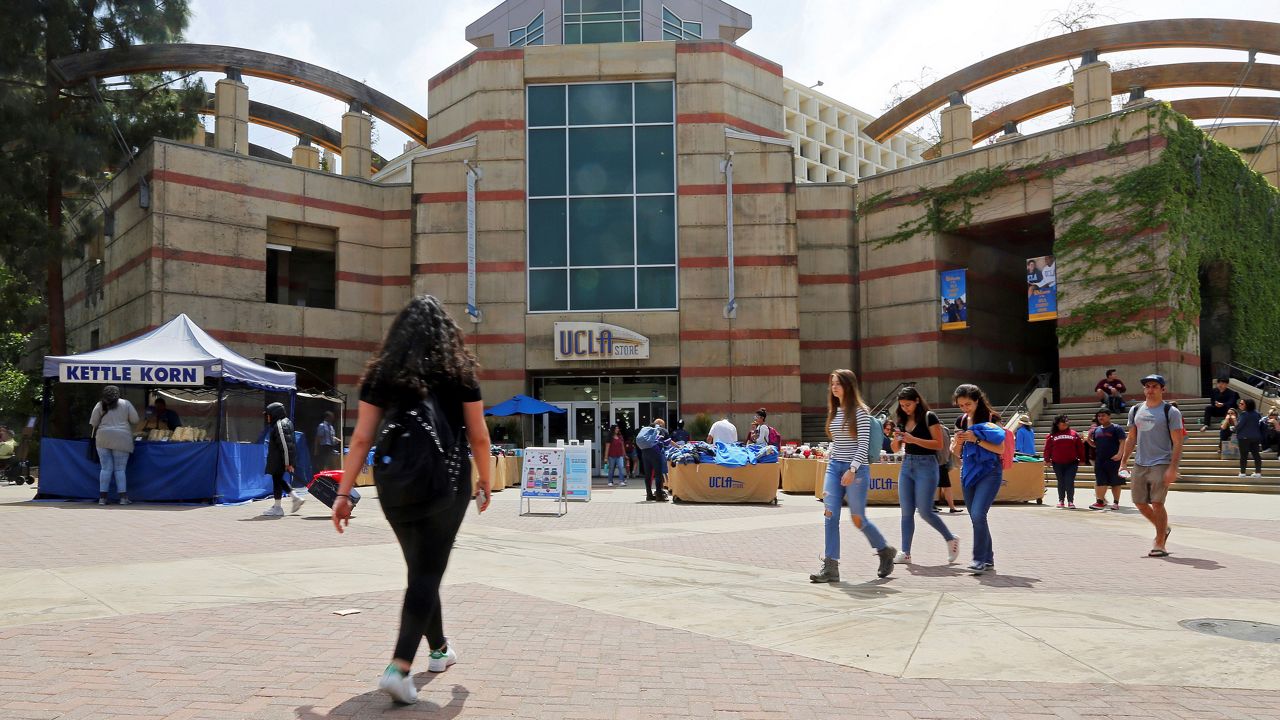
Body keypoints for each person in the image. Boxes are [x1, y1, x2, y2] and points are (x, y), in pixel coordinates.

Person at [330, 295, 492, 705]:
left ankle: (438, 650)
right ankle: (399, 668)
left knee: (421, 569)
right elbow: (479, 435)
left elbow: (362, 439)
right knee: (427, 572)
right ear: (446, 333)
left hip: (395, 486)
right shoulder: (459, 373)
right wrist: (485, 481)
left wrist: (344, 492)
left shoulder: (383, 374)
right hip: (446, 484)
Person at [809, 369, 897, 583]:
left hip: (855, 469)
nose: (834, 387)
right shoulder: (836, 410)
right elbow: (839, 441)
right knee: (830, 516)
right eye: (832, 384)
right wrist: (832, 454)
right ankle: (831, 566)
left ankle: (884, 550)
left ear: (849, 385)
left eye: (838, 383)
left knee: (858, 518)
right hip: (834, 467)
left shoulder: (860, 411)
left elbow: (862, 444)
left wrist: (853, 469)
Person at [889, 386, 960, 566]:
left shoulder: (929, 416)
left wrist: (913, 439)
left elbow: (938, 444)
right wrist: (897, 440)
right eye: (902, 405)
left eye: (908, 405)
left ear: (917, 401)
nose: (905, 408)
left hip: (927, 465)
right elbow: (895, 449)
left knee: (925, 511)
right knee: (906, 511)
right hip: (907, 464)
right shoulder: (902, 419)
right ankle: (905, 552)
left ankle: (950, 539)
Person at [1117, 374, 1182, 558]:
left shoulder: (1171, 412)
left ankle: (1160, 542)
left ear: (1162, 389)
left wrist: (1173, 468)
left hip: (1161, 462)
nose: (1150, 389)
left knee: (1157, 503)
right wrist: (1123, 462)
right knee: (1139, 503)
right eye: (1147, 386)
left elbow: (1178, 442)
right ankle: (1164, 528)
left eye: (1154, 386)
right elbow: (1131, 438)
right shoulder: (1136, 409)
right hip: (1140, 462)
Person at [951, 383, 1006, 575]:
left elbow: (1001, 449)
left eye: (968, 404)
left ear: (977, 401)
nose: (965, 408)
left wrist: (976, 439)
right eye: (961, 405)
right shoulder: (961, 420)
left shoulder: (992, 419)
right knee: (977, 517)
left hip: (990, 471)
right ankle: (988, 558)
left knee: (977, 515)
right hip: (968, 472)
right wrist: (958, 442)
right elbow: (955, 453)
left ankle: (979, 559)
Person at [88, 385, 140, 505]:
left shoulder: (99, 405)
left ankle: (102, 498)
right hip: (122, 438)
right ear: (118, 393)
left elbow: (94, 423)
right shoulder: (126, 403)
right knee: (120, 469)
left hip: (102, 438)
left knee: (105, 469)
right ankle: (123, 498)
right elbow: (135, 420)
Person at [261, 402, 306, 517]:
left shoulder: (280, 424)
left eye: (269, 415)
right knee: (278, 479)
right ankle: (294, 498)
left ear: (275, 413)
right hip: (281, 458)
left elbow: (285, 445)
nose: (267, 417)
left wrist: (288, 462)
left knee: (277, 480)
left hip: (279, 459)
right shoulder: (286, 422)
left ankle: (278, 507)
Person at [1043, 414, 1085, 508]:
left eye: (1066, 422)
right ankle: (1061, 500)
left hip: (1072, 462)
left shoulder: (1074, 434)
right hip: (1057, 462)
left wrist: (1082, 459)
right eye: (1063, 422)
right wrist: (1047, 459)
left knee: (1069, 481)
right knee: (1061, 481)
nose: (1065, 424)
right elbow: (1047, 449)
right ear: (1057, 424)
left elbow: (1080, 448)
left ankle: (1070, 501)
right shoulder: (1052, 435)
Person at [1087, 409, 1126, 510]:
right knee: (1100, 481)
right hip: (1100, 460)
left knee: (1115, 482)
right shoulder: (1096, 430)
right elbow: (1095, 445)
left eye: (1103, 415)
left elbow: (1122, 441)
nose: (1100, 418)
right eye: (1099, 416)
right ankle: (1100, 502)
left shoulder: (1116, 428)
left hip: (1114, 460)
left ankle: (1116, 503)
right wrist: (1088, 441)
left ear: (1109, 416)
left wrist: (1120, 454)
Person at [1235, 398, 1265, 478]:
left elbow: (1239, 426)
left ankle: (1242, 473)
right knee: (1256, 454)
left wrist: (1233, 427)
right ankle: (1258, 473)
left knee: (1244, 455)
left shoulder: (1244, 414)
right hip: (1256, 437)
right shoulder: (1257, 414)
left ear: (1247, 405)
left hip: (1244, 437)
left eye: (1242, 404)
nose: (1239, 405)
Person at [641, 418, 670, 501]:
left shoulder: (647, 430)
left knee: (648, 474)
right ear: (661, 424)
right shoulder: (663, 430)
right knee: (658, 474)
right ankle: (659, 495)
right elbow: (667, 443)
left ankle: (649, 495)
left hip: (645, 452)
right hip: (656, 452)